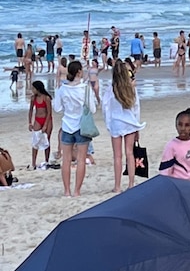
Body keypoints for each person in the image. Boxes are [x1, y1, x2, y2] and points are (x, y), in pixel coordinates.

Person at [52, 60, 96, 197]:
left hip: (67, 125)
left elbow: (57, 108)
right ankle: (77, 191)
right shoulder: (85, 88)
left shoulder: (62, 89)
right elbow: (93, 109)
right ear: (78, 72)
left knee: (66, 160)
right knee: (81, 159)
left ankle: (67, 191)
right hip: (81, 126)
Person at [103, 61, 145, 193]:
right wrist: (137, 125)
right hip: (130, 123)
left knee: (117, 156)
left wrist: (108, 123)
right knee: (129, 153)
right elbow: (136, 107)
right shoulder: (131, 88)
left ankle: (117, 186)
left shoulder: (111, 89)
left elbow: (106, 108)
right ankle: (131, 183)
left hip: (116, 122)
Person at [28, 80, 53, 170]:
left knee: (47, 140)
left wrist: (45, 125)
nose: (32, 90)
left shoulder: (46, 98)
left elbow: (49, 112)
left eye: (33, 88)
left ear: (37, 89)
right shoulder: (33, 98)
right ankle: (33, 163)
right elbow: (31, 110)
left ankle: (47, 160)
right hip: (38, 119)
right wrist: (30, 122)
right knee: (35, 141)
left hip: (47, 119)